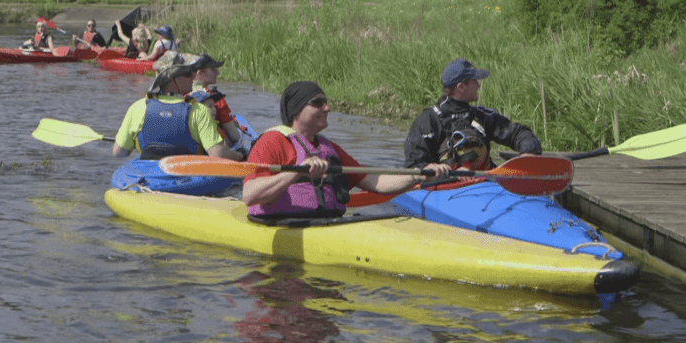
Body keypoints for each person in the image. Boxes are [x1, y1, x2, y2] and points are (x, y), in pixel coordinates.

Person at [243, 81, 450, 220]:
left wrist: (418, 175)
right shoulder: (272, 142)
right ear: (297, 110)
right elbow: (250, 195)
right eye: (318, 103)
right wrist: (297, 170)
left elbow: (374, 182)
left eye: (326, 102)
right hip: (280, 224)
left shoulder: (329, 149)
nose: (327, 108)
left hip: (327, 224)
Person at [403, 58, 541, 172]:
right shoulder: (426, 121)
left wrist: (528, 151)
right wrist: (427, 168)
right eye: (474, 81)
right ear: (461, 87)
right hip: (444, 188)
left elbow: (518, 133)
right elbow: (413, 166)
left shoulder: (481, 116)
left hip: (484, 184)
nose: (478, 85)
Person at [112, 67, 246, 162]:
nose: (193, 77)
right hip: (189, 176)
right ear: (172, 79)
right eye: (188, 74)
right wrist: (240, 156)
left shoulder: (138, 107)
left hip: (150, 174)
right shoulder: (198, 110)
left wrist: (135, 146)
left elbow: (119, 152)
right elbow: (217, 155)